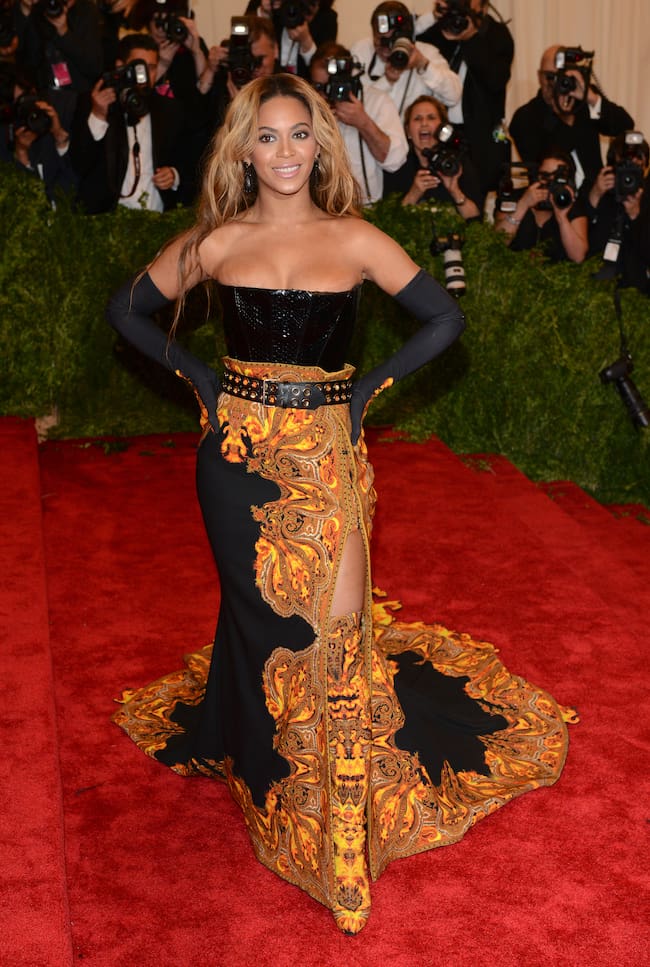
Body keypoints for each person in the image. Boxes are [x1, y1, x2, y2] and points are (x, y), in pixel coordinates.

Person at [107, 72, 572, 935]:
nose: (285, 152)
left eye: (300, 135)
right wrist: (203, 378)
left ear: (321, 144)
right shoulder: (213, 240)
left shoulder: (357, 238)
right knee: (263, 627)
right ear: (244, 148)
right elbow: (127, 310)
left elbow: (442, 321)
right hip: (235, 460)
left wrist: (366, 394)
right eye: (268, 136)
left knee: (339, 629)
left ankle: (344, 826)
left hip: (327, 458)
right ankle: (270, 768)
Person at [69, 32, 185, 213]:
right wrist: (98, 116)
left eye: (152, 67)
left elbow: (191, 160)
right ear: (120, 67)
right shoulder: (94, 102)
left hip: (159, 219)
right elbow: (79, 164)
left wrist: (174, 175)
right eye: (138, 67)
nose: (145, 75)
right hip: (109, 222)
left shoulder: (170, 109)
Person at [415, 0, 514, 195]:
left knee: (477, 190)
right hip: (441, 130)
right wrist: (436, 17)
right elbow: (414, 44)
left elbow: (496, 79)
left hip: (481, 133)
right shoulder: (442, 28)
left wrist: (471, 37)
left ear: (483, 6)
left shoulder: (496, 33)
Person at [509, 44, 634, 190]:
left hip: (596, 198)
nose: (555, 83)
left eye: (562, 76)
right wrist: (563, 115)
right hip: (554, 202)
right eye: (550, 76)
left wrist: (592, 98)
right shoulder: (525, 117)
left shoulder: (583, 103)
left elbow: (625, 126)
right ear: (539, 76)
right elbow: (544, 165)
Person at [310, 41, 407, 204]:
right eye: (317, 86)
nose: (324, 93)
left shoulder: (376, 100)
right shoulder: (307, 106)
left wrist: (363, 123)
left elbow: (395, 160)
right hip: (321, 209)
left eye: (329, 85)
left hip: (367, 210)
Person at [351, 1, 461, 119]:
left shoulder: (427, 53)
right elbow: (355, 105)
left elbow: (453, 96)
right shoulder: (361, 50)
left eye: (392, 40)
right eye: (381, 40)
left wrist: (423, 65)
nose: (386, 47)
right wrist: (387, 81)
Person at [383, 93, 481, 219]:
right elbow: (388, 226)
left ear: (442, 128)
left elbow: (476, 221)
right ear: (407, 131)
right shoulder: (396, 165)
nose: (424, 123)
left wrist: (455, 191)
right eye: (417, 118)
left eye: (431, 117)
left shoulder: (458, 162)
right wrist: (413, 194)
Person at [494, 148, 589, 263]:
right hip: (513, 273)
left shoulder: (571, 204)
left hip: (556, 277)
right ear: (535, 176)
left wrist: (562, 218)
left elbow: (578, 256)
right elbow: (497, 244)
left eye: (558, 178)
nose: (550, 183)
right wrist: (523, 205)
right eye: (545, 176)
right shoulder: (515, 198)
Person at [584, 132, 650, 292]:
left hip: (635, 286)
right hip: (592, 280)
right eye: (625, 163)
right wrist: (595, 195)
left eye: (637, 163)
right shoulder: (596, 185)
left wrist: (636, 217)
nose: (631, 169)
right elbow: (579, 235)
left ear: (646, 165)